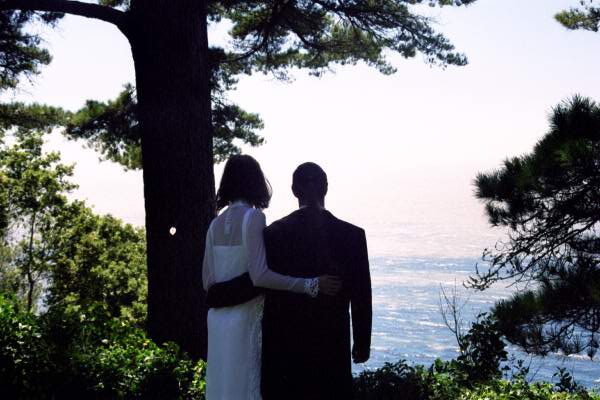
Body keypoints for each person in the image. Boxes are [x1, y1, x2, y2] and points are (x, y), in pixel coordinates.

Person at [206, 162, 372, 400]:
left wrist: (217, 295)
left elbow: (258, 280)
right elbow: (362, 294)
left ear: (294, 190)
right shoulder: (352, 235)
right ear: (326, 187)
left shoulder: (276, 233)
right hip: (332, 344)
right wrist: (362, 344)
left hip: (286, 347)